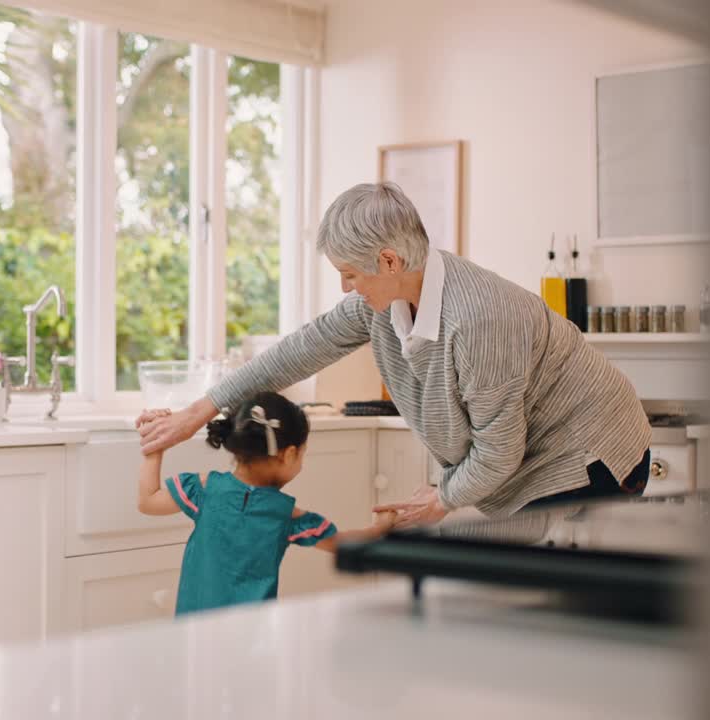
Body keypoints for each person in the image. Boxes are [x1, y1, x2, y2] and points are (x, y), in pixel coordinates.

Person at [138, 182, 652, 523]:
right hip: (525, 462)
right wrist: (200, 410)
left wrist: (443, 500)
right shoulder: (381, 304)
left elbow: (498, 450)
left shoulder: (480, 319)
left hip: (589, 455)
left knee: (556, 618)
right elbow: (300, 349)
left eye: (350, 274)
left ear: (389, 260)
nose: (345, 289)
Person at [137, 392, 397, 616]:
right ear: (290, 454)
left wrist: (154, 449)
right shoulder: (285, 515)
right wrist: (381, 527)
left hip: (196, 632)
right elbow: (342, 544)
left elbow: (148, 502)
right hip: (251, 635)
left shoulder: (205, 489)